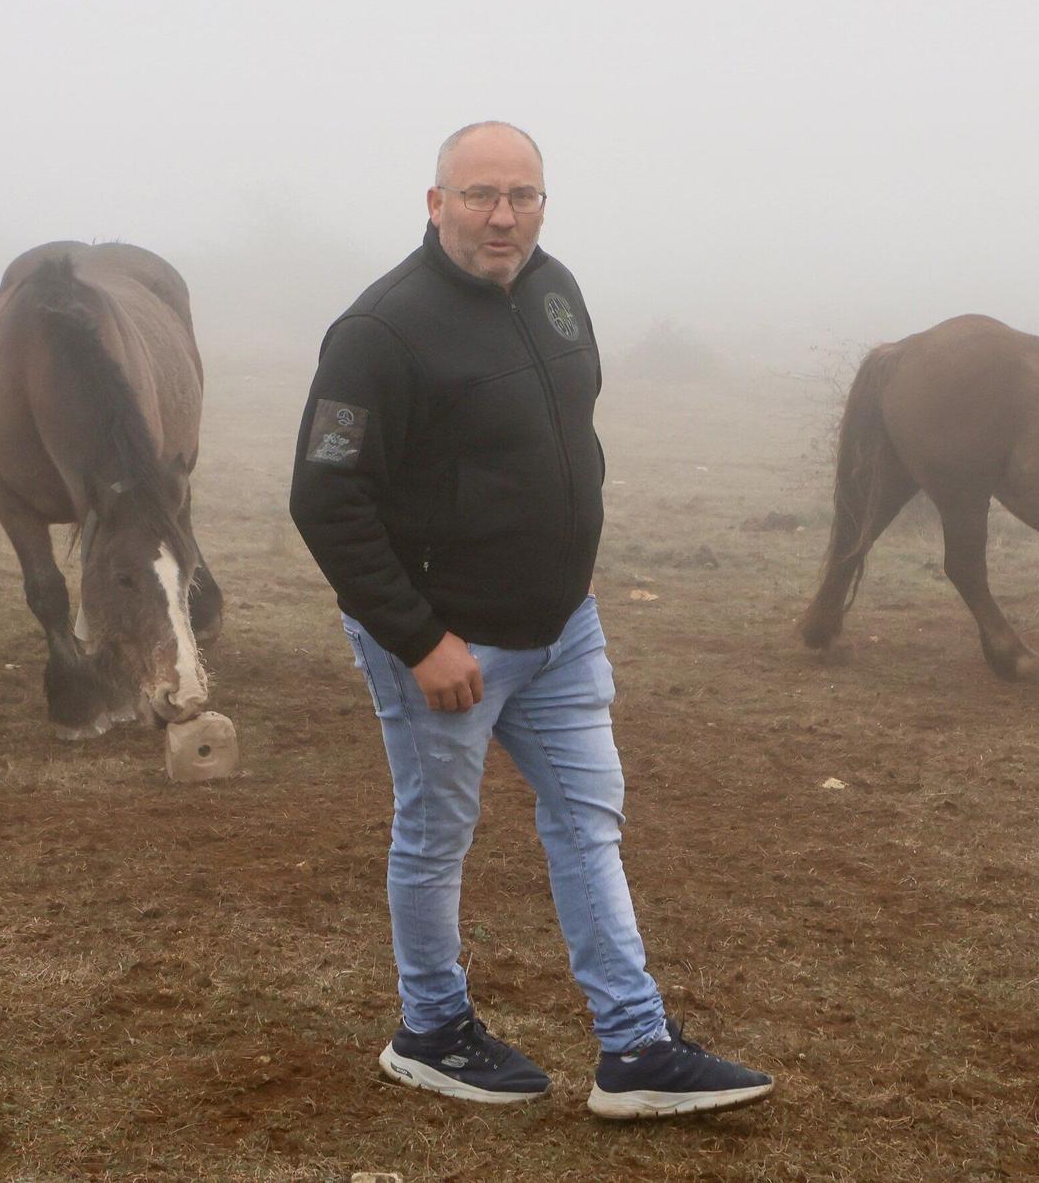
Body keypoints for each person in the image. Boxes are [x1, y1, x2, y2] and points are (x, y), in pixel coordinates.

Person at [288, 121, 774, 1119]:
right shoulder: (377, 333)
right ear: (434, 204)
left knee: (587, 824)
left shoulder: (555, 290)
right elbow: (324, 496)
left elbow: (563, 440)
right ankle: (429, 1030)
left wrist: (569, 574)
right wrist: (418, 639)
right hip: (447, 648)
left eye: (521, 195)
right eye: (477, 195)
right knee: (435, 838)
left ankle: (634, 1048)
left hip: (559, 634)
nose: (501, 215)